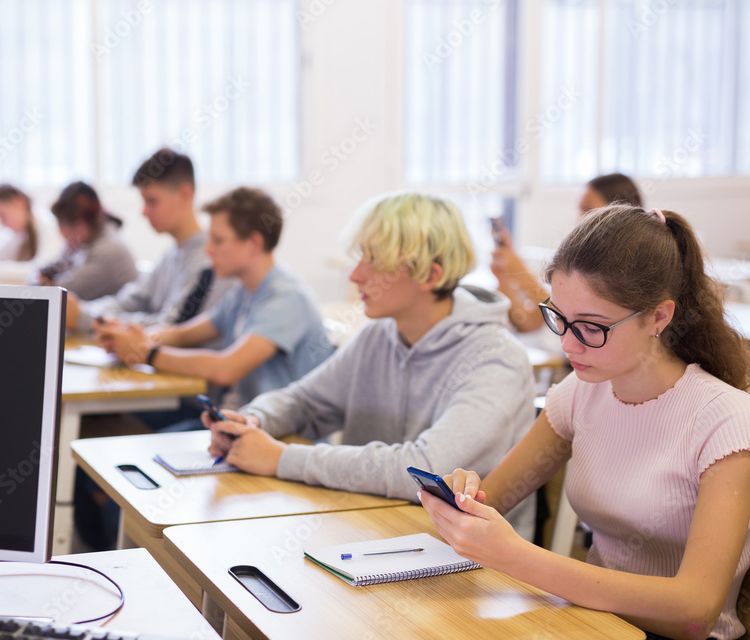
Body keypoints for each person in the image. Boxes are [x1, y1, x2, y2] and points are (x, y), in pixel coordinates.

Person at [422, 205, 750, 640]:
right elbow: (493, 501)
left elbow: (694, 612)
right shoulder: (581, 394)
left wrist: (518, 557)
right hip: (590, 625)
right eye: (558, 316)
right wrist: (462, 500)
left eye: (591, 327)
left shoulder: (725, 419)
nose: (566, 342)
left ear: (660, 316)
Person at [203, 192, 538, 539]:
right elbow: (304, 401)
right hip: (372, 533)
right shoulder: (378, 335)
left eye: (374, 260)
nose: (355, 274)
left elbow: (426, 470)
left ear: (429, 275)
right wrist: (253, 420)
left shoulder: (497, 358)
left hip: (468, 564)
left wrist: (280, 458)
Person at [94, 186, 335, 418]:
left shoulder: (286, 298)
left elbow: (225, 369)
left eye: (218, 241)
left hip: (282, 444)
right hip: (241, 428)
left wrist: (147, 353)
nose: (208, 250)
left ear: (254, 243)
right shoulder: (243, 292)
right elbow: (181, 334)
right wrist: (129, 339)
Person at [65, 148, 235, 331]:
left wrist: (86, 318)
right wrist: (84, 311)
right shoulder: (172, 255)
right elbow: (133, 300)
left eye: (152, 201)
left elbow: (170, 328)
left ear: (184, 195)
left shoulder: (208, 262)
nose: (144, 212)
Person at [491, 173, 643, 333]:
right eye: (580, 210)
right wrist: (504, 278)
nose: (579, 220)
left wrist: (517, 269)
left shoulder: (626, 269)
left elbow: (557, 312)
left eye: (588, 209)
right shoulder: (580, 259)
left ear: (620, 210)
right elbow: (529, 322)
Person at [37, 181, 138, 301]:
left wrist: (46, 282)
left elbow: (63, 294)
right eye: (61, 222)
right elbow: (46, 272)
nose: (64, 232)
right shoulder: (81, 242)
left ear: (92, 219)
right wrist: (44, 276)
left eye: (72, 224)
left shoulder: (107, 249)